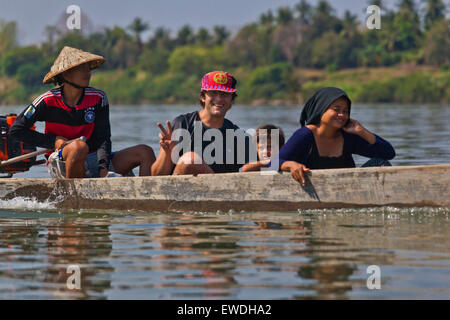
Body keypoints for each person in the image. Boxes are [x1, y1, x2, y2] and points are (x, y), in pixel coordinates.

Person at [9, 46, 155, 178]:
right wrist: (54, 141)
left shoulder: (98, 98)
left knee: (145, 152)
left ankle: (146, 200)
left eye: (88, 68)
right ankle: (73, 199)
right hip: (63, 160)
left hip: (95, 159)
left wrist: (103, 168)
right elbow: (16, 130)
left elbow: (103, 138)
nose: (88, 72)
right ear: (66, 75)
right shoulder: (47, 100)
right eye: (81, 68)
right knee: (79, 147)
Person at [277, 87, 395, 185]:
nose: (342, 115)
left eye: (345, 111)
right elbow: (273, 163)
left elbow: (388, 154)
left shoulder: (348, 136)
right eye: (336, 109)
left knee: (380, 163)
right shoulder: (305, 135)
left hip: (349, 191)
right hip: (314, 194)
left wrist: (362, 131)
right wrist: (289, 164)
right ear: (321, 109)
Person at [151, 71, 250, 176]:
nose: (219, 99)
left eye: (224, 94)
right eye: (213, 93)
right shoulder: (182, 125)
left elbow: (254, 169)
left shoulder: (238, 136)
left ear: (232, 100)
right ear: (203, 97)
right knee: (190, 160)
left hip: (221, 191)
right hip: (178, 191)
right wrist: (167, 153)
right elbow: (156, 177)